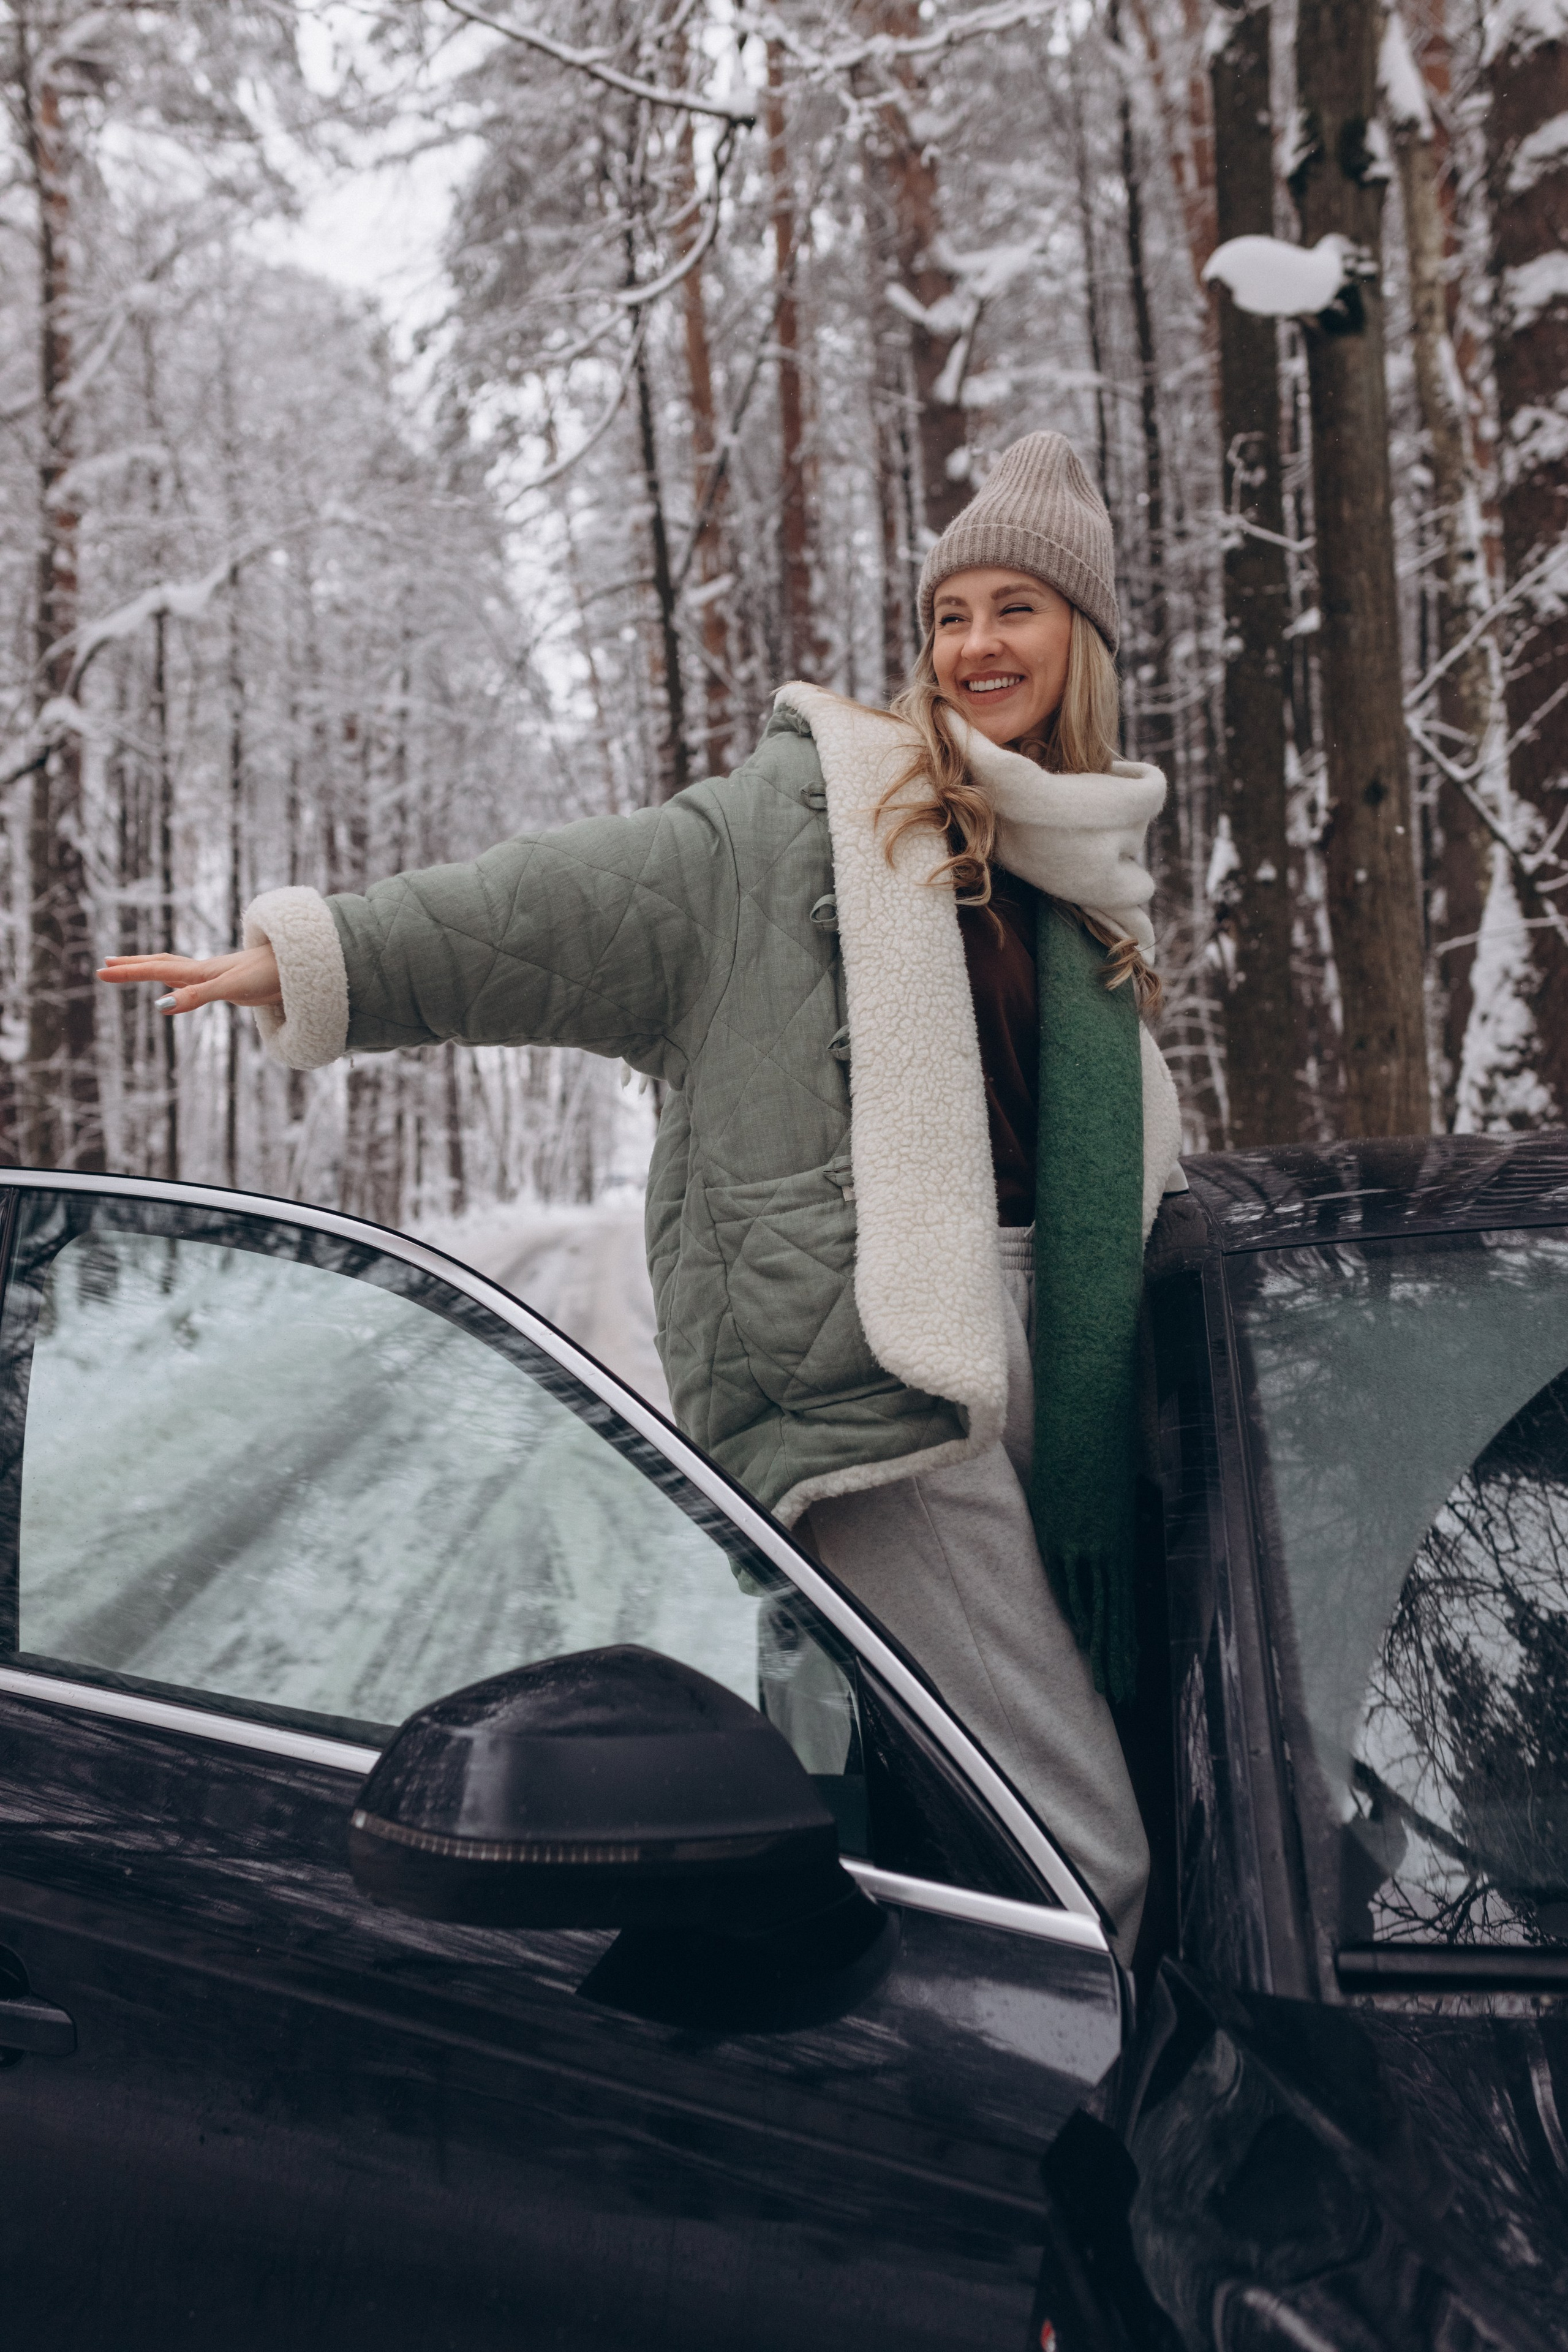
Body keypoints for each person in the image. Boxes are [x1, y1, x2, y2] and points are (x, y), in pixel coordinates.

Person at [100, 431, 1184, 1958]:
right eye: (951, 612)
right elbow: (565, 906)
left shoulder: (1081, 880)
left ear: (1083, 639)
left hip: (1054, 1357)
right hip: (875, 1373)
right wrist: (323, 953)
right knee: (1094, 1847)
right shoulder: (807, 819)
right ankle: (1130, 2154)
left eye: (1016, 608)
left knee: (965, 1804)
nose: (975, 644)